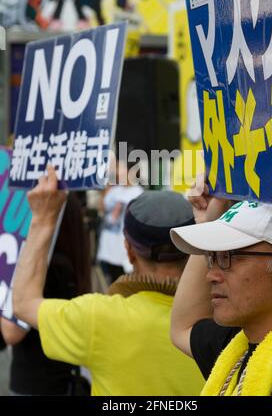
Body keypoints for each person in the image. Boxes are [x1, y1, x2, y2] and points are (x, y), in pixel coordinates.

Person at [12, 166, 204, 396]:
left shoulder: (99, 317)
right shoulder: (222, 319)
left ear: (129, 250)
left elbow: (23, 304)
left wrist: (43, 219)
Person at [170, 178, 272, 396]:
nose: (210, 275)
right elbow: (182, 327)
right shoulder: (234, 345)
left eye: (229, 256)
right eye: (211, 257)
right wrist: (207, 222)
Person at [1, 192, 91, 395]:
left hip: (37, 382)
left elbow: (12, 331)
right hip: (59, 378)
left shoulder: (46, 268)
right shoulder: (68, 261)